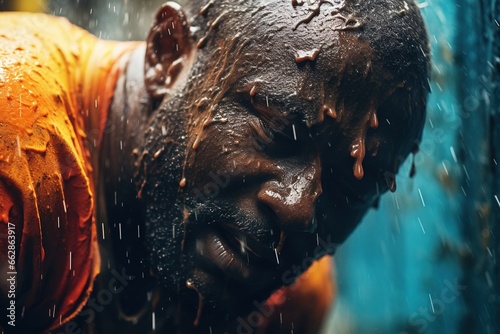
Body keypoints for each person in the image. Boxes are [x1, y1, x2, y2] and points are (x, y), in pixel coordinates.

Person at [0, 0, 429, 332]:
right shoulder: (17, 152)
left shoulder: (289, 302)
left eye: (350, 186)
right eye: (279, 130)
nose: (298, 210)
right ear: (166, 57)